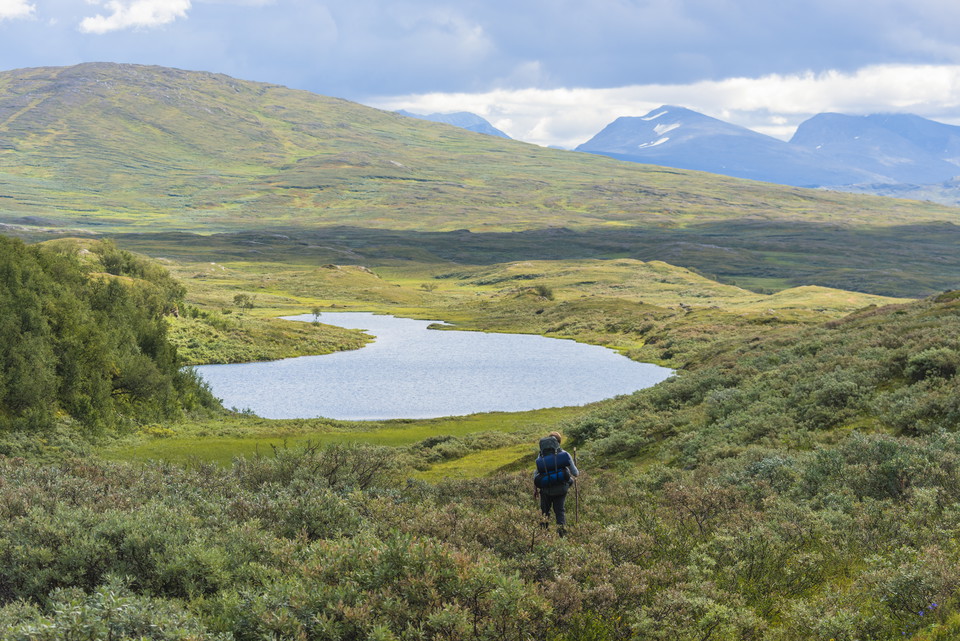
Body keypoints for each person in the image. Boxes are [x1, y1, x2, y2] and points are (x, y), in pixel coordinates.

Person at [533, 431, 579, 536]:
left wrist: (535, 490)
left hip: (545, 490)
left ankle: (543, 536)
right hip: (561, 489)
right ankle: (562, 537)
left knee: (544, 513)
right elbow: (575, 473)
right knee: (560, 512)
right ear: (559, 442)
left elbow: (536, 475)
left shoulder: (541, 457)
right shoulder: (565, 454)